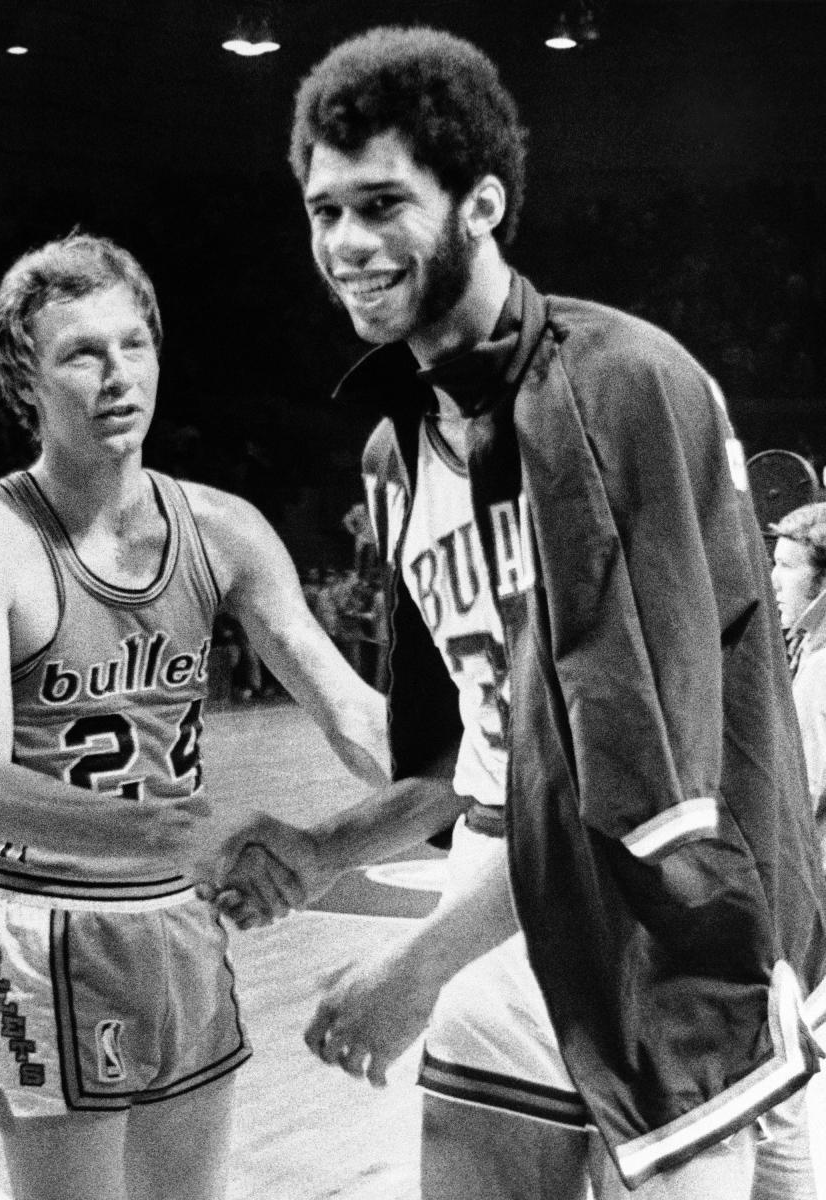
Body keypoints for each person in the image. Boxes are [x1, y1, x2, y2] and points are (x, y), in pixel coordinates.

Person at [199, 26, 826, 1200]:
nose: (345, 243)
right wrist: (324, 846)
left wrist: (415, 970)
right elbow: (477, 758)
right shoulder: (395, 450)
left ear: (482, 202)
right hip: (500, 910)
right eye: (323, 209)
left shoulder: (625, 386)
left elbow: (638, 786)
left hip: (672, 941)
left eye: (382, 202)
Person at [0, 231, 388, 1200]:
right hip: (46, 924)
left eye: (135, 345)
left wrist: (475, 775)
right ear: (27, 380)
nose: (117, 374)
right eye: (82, 354)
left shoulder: (223, 527)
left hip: (178, 919)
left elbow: (345, 705)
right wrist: (185, 830)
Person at [771, 500, 826, 866]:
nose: (773, 578)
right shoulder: (809, 644)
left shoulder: (821, 668)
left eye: (787, 566)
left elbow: (807, 788)